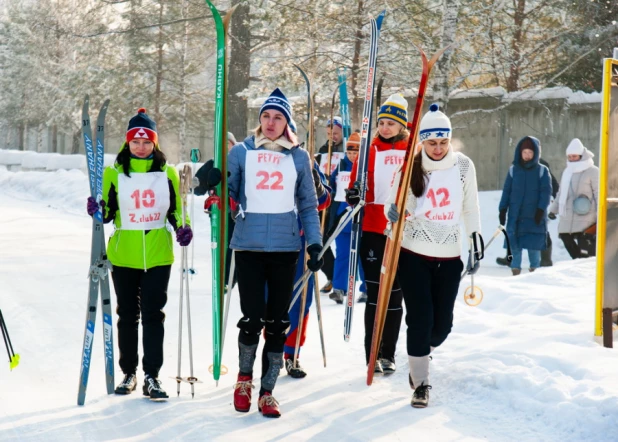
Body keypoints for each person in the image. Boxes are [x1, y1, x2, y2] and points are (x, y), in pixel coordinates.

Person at [227, 88, 322, 418]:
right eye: (266, 116)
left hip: (285, 248)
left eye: (277, 117)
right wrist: (215, 184)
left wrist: (314, 243)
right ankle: (243, 380)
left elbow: (308, 205)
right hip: (249, 245)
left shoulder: (299, 157)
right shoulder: (240, 153)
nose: (270, 122)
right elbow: (229, 196)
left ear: (287, 122)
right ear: (259, 120)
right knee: (252, 318)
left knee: (278, 323)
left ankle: (267, 392)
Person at [86, 108, 192, 400]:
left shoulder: (167, 173)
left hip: (158, 255)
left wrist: (184, 228)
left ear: (154, 143)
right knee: (128, 315)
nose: (141, 147)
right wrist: (97, 209)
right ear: (128, 142)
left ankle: (151, 376)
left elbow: (176, 211)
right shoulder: (114, 173)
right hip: (124, 256)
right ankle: (129, 372)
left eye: (147, 142)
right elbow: (107, 213)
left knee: (153, 316)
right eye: (136, 141)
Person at [385, 103, 482, 408]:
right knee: (420, 318)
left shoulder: (464, 166)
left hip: (450, 255)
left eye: (443, 142)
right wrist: (394, 213)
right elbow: (396, 205)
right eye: (431, 142)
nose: (438, 148)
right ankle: (421, 382)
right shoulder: (410, 167)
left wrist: (474, 239)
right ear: (422, 142)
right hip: (414, 253)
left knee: (441, 327)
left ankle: (420, 355)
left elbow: (470, 206)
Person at [346, 93, 408, 375]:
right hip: (372, 227)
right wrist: (353, 194)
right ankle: (372, 350)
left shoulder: (412, 150)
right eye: (381, 122)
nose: (384, 128)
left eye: (390, 124)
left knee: (395, 294)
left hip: (402, 230)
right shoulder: (368, 151)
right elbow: (353, 188)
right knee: (374, 291)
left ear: (401, 126)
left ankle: (388, 353)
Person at [498, 136, 551, 275]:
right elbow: (507, 191)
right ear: (519, 153)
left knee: (533, 247)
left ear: (536, 154)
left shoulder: (542, 171)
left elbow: (546, 192)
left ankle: (534, 272)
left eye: (530, 153)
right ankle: (515, 272)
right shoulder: (513, 170)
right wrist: (502, 209)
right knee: (515, 246)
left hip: (534, 216)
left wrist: (541, 209)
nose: (527, 155)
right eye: (525, 152)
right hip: (516, 216)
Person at [328, 132, 367, 303]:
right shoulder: (341, 165)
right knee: (343, 254)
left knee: (362, 256)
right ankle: (339, 289)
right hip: (342, 218)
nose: (352, 156)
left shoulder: (366, 167)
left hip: (361, 218)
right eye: (349, 152)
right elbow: (331, 187)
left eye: (355, 152)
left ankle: (366, 289)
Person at [548, 138, 599, 259]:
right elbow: (561, 193)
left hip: (586, 214)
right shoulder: (567, 171)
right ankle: (577, 261)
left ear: (581, 155)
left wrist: (600, 213)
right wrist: (553, 210)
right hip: (568, 214)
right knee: (565, 236)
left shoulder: (593, 171)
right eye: (569, 156)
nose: (571, 159)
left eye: (574, 156)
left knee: (585, 242)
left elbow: (598, 193)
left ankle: (583, 263)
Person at [316, 117, 344, 293]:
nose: (332, 136)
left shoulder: (349, 148)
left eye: (335, 133)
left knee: (340, 242)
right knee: (321, 240)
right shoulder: (323, 150)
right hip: (326, 199)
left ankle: (342, 278)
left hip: (341, 201)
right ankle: (333, 276)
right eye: (328, 133)